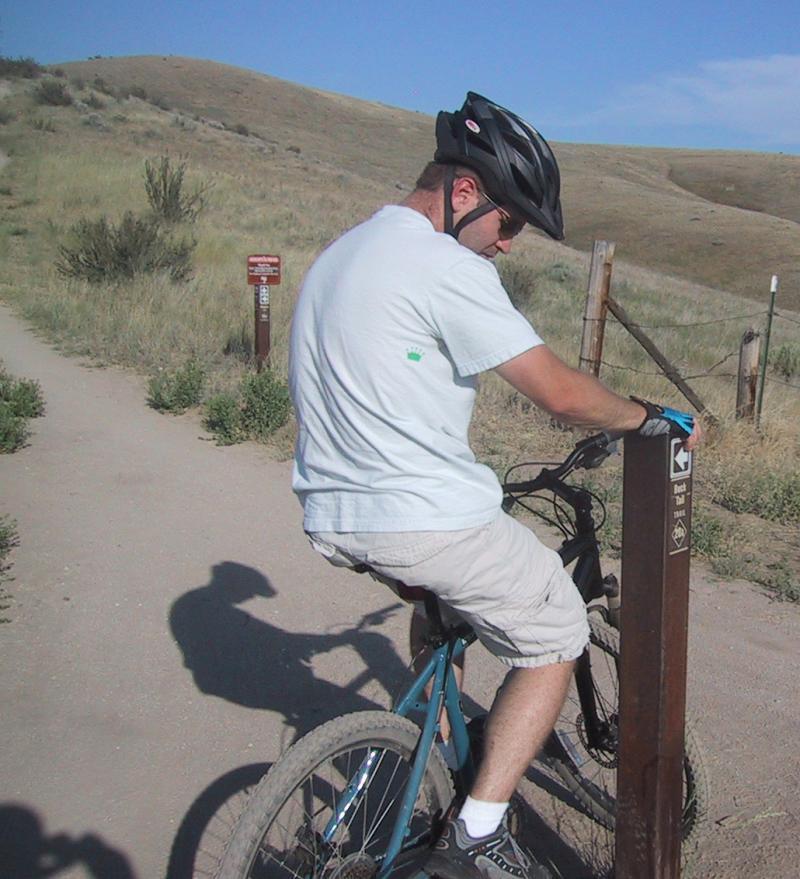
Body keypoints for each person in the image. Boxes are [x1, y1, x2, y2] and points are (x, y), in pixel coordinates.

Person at [289, 91, 701, 879]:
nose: (508, 244)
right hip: (419, 514)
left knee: (449, 603)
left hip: (332, 510)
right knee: (554, 632)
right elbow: (558, 392)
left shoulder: (345, 252)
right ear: (464, 191)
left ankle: (425, 747)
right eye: (509, 222)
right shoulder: (443, 264)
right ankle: (477, 831)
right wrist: (652, 417)